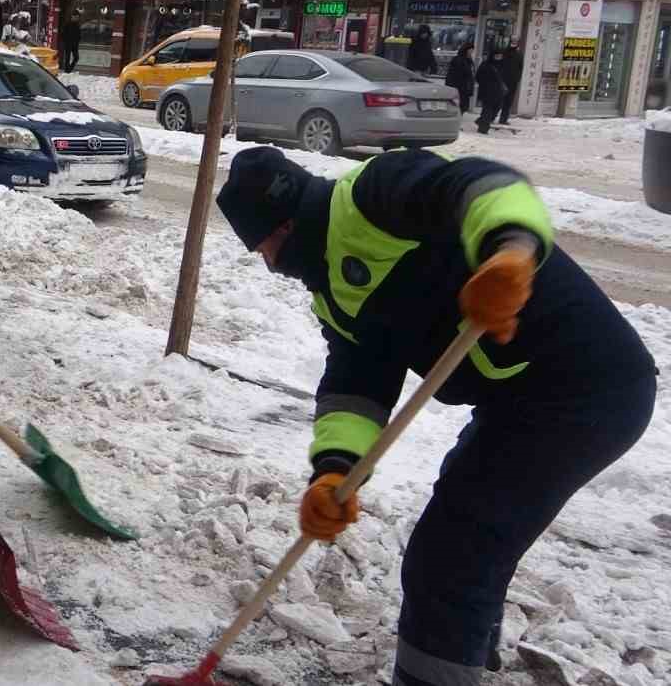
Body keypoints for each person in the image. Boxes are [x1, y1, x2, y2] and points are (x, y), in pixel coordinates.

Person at [215, 146, 653, 686]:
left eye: (263, 247)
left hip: (587, 390)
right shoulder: (333, 290)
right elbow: (356, 388)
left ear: (283, 225)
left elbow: (484, 182)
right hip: (517, 401)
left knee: (450, 560)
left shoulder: (375, 193)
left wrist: (510, 251)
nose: (268, 264)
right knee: (466, 524)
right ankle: (464, 648)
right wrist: (335, 468)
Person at [475, 48, 506, 134]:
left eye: (500, 56)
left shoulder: (502, 65)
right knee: (487, 110)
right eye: (497, 56)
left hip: (498, 92)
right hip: (487, 92)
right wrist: (486, 84)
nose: (499, 57)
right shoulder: (486, 65)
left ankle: (481, 121)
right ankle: (483, 129)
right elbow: (478, 76)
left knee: (496, 109)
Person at [445, 42, 476, 114]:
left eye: (472, 50)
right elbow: (453, 74)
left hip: (465, 87)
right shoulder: (459, 60)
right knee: (459, 106)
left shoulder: (469, 60)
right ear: (466, 50)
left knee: (464, 106)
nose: (471, 52)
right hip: (459, 86)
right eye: (470, 50)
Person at [498, 41, 524, 124]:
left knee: (499, 100)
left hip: (503, 80)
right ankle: (503, 119)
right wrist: (517, 79)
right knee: (507, 101)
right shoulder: (519, 55)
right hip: (512, 81)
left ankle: (492, 117)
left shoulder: (503, 53)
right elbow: (520, 68)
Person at [59, 9, 82, 73]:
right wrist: (66, 41)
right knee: (67, 58)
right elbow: (63, 34)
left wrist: (78, 39)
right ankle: (67, 71)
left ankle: (70, 69)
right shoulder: (67, 24)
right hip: (68, 44)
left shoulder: (78, 25)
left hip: (75, 45)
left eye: (77, 17)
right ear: (72, 17)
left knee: (76, 58)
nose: (76, 18)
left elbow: (79, 34)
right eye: (75, 17)